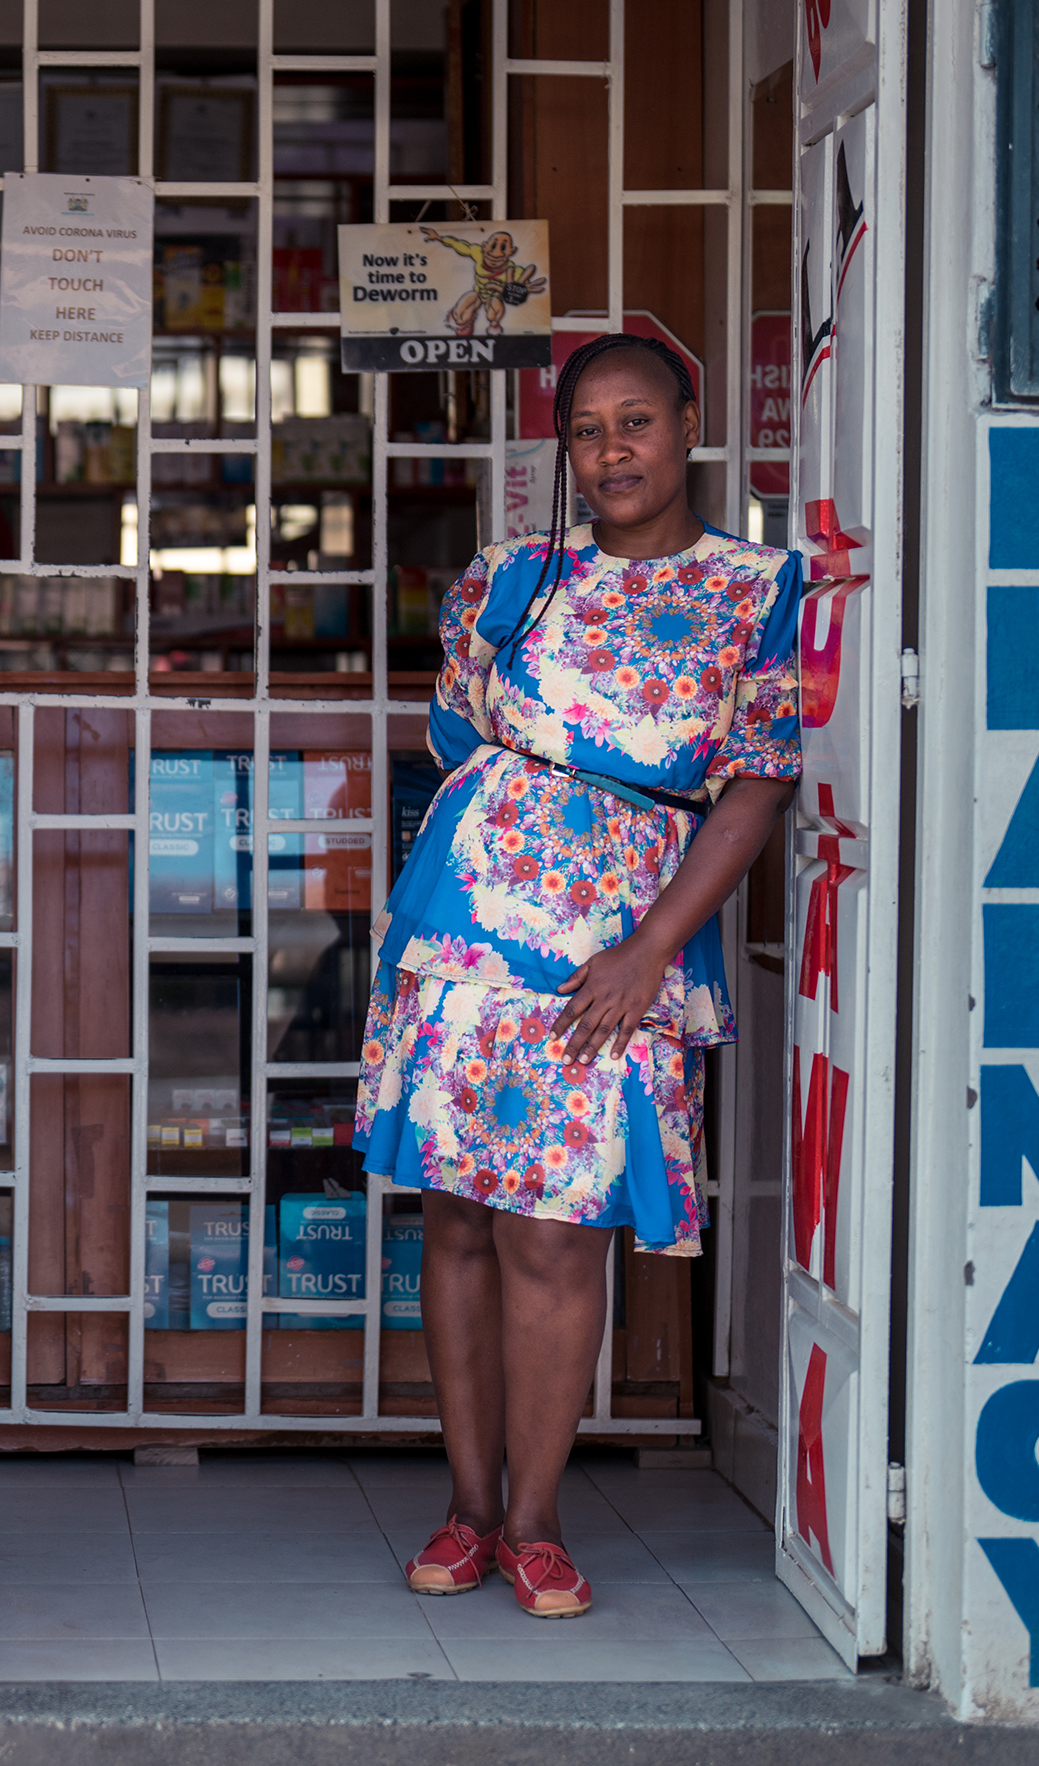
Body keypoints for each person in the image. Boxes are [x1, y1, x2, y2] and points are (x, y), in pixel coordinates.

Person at [353, 333, 802, 1618]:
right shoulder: (509, 576)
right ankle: (466, 1505)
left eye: (636, 422)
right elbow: (452, 734)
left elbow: (758, 781)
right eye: (587, 430)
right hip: (467, 921)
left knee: (555, 1224)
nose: (611, 450)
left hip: (618, 935)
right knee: (455, 1211)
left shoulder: (758, 591)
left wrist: (651, 943)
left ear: (690, 421)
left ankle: (537, 1519)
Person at [420, 226, 546, 337]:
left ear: (511, 252)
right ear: (485, 246)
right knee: (459, 318)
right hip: (478, 293)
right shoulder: (478, 253)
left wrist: (523, 289)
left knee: (492, 315)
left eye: (503, 247)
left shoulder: (514, 271)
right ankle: (469, 322)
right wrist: (439, 238)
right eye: (493, 245)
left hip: (494, 297)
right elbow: (458, 245)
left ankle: (494, 325)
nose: (496, 252)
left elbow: (523, 285)